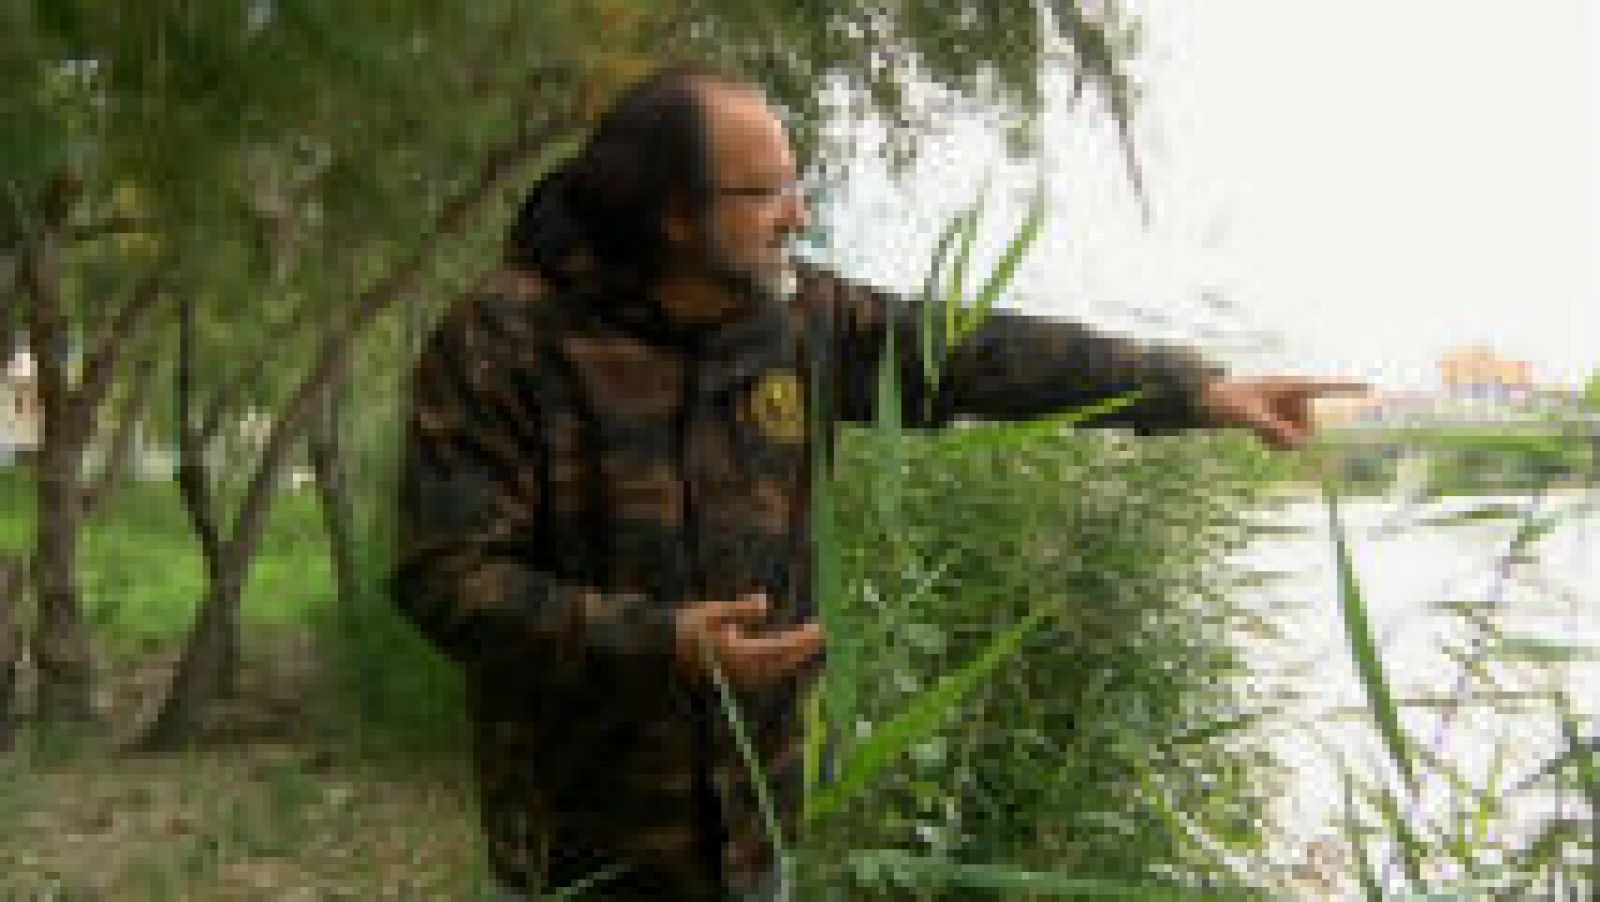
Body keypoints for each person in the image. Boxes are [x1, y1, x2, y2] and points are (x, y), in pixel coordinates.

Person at [390, 63, 1366, 901]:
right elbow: (445, 578)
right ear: (676, 217)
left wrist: (1195, 388)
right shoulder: (502, 341)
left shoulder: (796, 317)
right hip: (583, 847)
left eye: (797, 182)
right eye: (765, 192)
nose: (799, 214)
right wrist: (666, 645)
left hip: (754, 826)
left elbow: (978, 354)